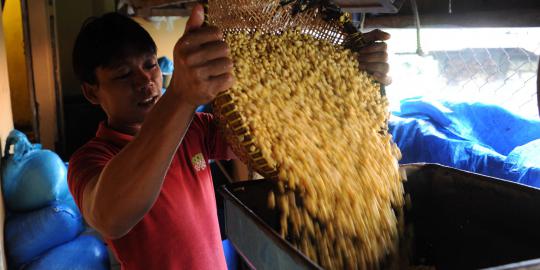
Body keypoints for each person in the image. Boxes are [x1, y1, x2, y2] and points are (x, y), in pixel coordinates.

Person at [67, 4, 392, 270]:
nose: (145, 82)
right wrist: (180, 96)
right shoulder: (91, 159)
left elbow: (276, 128)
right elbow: (111, 217)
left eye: (150, 65)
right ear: (91, 92)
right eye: (123, 74)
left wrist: (350, 78)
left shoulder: (193, 129)